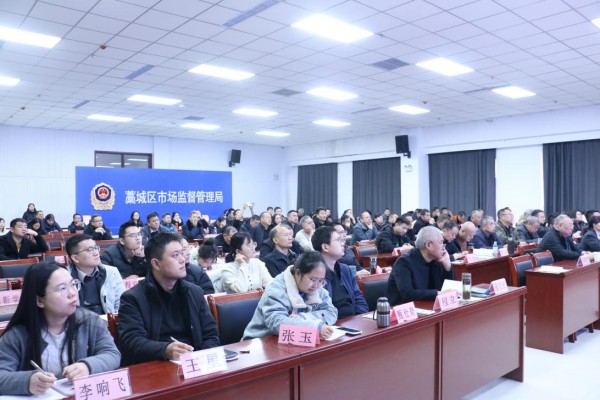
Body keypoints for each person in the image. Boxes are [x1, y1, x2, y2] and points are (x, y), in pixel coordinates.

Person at [0, 261, 120, 395]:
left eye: (73, 284)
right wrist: (27, 381)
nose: (72, 293)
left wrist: (87, 366)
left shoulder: (89, 321)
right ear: (40, 300)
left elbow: (112, 354)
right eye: (62, 288)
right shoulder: (19, 335)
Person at [118, 233, 220, 366]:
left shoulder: (194, 292)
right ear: (156, 264)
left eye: (182, 253)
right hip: (156, 365)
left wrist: (201, 361)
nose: (182, 259)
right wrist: (165, 350)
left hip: (195, 362)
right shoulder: (133, 298)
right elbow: (132, 342)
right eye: (175, 255)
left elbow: (211, 334)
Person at [242, 251, 337, 340]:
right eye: (313, 279)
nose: (316, 285)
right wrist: (315, 327)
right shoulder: (276, 289)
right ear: (298, 273)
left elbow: (331, 311)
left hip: (291, 340)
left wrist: (303, 317)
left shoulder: (317, 288)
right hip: (261, 341)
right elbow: (277, 323)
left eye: (320, 280)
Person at [385, 226, 455, 306]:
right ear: (429, 245)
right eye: (441, 242)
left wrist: (447, 266)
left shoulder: (437, 260)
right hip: (403, 308)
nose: (444, 247)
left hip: (428, 306)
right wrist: (438, 293)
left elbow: (449, 289)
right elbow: (408, 294)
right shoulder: (404, 262)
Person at [312, 226, 368, 319]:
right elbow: (317, 311)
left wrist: (360, 318)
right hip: (331, 324)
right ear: (325, 247)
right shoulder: (314, 276)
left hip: (354, 320)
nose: (343, 244)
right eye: (338, 240)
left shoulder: (345, 270)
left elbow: (359, 298)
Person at [65, 235, 125, 314]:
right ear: (75, 258)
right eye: (89, 250)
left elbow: (121, 304)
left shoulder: (111, 272)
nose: (96, 253)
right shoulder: (65, 278)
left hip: (108, 320)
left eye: (96, 248)